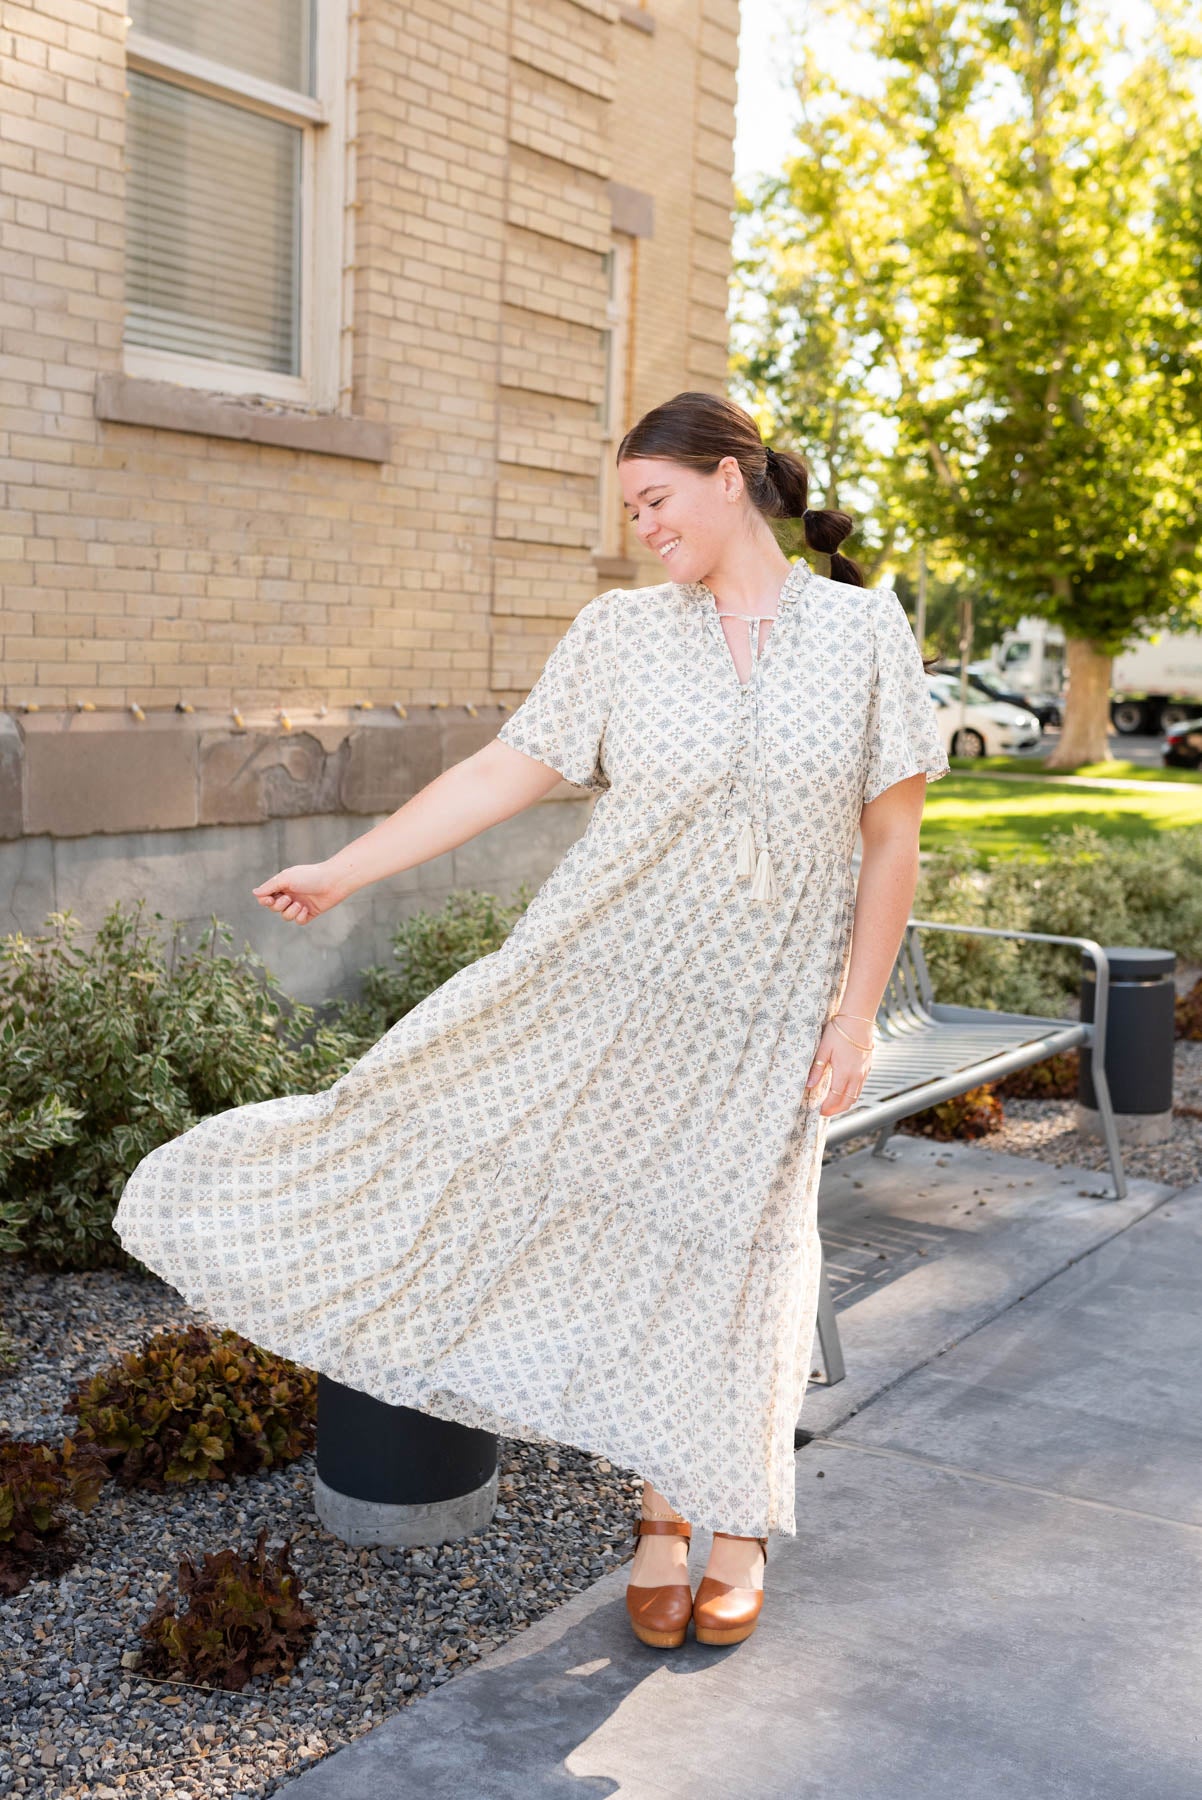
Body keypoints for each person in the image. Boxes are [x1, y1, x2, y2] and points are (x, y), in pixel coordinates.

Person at [112, 390, 948, 1654]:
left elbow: (892, 838)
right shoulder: (619, 633)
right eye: (630, 511)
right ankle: (661, 1516)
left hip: (769, 1011)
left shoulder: (863, 633)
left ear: (731, 478)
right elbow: (506, 768)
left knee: (739, 1246)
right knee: (488, 1158)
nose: (642, 529)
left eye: (655, 501)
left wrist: (854, 1012)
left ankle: (723, 1521)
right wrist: (351, 867)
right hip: (602, 975)